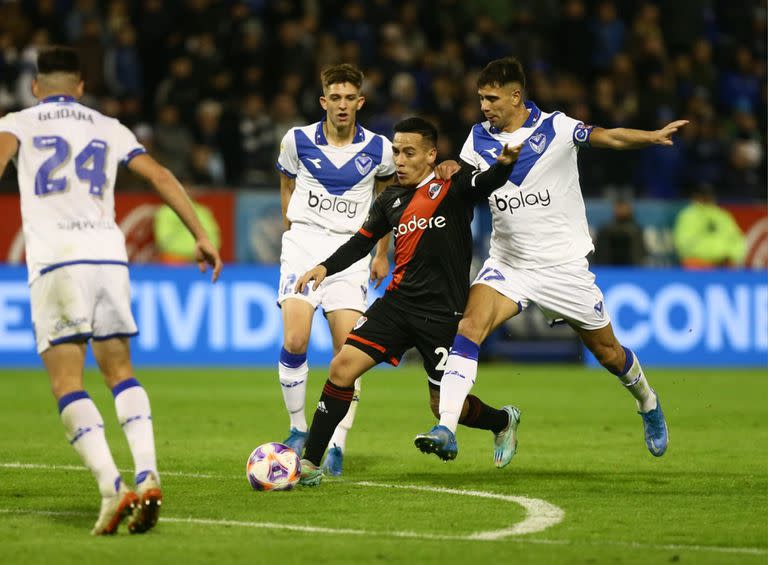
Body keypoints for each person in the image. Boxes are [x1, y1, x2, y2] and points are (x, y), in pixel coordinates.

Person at [416, 57, 688, 463]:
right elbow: (468, 184)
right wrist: (453, 167)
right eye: (481, 99)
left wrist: (649, 137)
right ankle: (447, 428)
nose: (485, 106)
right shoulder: (477, 139)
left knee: (610, 354)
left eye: (492, 98)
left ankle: (648, 402)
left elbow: (608, 137)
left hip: (563, 268)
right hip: (509, 265)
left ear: (515, 95)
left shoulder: (556, 128)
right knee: (469, 326)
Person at [0, 47, 222, 535]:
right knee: (120, 370)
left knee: (67, 383)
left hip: (57, 258)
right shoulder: (108, 126)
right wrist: (200, 237)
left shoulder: (17, 121)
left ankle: (111, 487)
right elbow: (161, 176)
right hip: (108, 257)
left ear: (36, 87)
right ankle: (149, 473)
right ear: (81, 86)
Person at [294, 117, 521, 486]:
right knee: (341, 369)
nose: (399, 160)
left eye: (409, 152)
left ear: (431, 155)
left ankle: (502, 421)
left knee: (442, 406)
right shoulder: (389, 199)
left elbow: (487, 182)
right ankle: (310, 463)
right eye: (396, 151)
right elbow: (361, 243)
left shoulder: (453, 184)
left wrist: (503, 165)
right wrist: (324, 267)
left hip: (443, 314)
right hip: (396, 306)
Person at [275, 64, 394, 476]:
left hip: (350, 255)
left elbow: (386, 204)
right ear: (323, 101)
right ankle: (296, 428)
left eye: (350, 98)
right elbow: (287, 184)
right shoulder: (297, 140)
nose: (342, 105)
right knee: (295, 338)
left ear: (360, 102)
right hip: (305, 246)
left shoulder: (380, 149)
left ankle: (337, 443)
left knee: (350, 352)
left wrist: (381, 254)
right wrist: (292, 229)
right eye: (335, 98)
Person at [673, 184, 746, 269]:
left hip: (724, 264)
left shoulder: (722, 215)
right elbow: (684, 244)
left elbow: (737, 239)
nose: (706, 198)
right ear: (695, 196)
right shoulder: (688, 216)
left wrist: (732, 256)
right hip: (698, 264)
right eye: (703, 195)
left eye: (709, 195)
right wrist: (709, 258)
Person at [154, 191, 221, 264]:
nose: (186, 191)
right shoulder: (165, 211)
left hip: (201, 260)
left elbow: (214, 235)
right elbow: (163, 240)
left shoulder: (203, 211)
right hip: (174, 260)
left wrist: (207, 253)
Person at [593, 199, 647, 266]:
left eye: (623, 208)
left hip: (632, 267)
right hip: (608, 267)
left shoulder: (636, 229)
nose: (621, 211)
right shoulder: (605, 229)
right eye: (619, 208)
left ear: (629, 210)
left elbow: (641, 251)